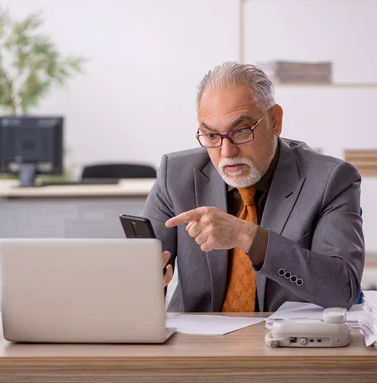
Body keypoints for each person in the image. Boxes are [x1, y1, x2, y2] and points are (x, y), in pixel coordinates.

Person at [142, 61, 365, 313]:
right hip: (197, 345)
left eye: (241, 131)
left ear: (275, 121)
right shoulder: (176, 174)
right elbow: (141, 280)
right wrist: (143, 285)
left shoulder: (331, 179)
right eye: (212, 136)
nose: (227, 151)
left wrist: (247, 237)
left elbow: (342, 289)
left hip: (285, 346)